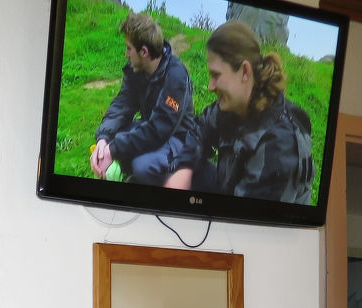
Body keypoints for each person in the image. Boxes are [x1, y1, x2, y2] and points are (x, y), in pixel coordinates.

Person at [193, 20, 313, 203]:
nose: (210, 86)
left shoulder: (279, 143)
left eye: (216, 75)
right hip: (228, 189)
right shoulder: (232, 106)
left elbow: (246, 217)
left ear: (245, 71)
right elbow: (194, 132)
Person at [91, 12, 198, 188]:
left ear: (144, 52)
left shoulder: (176, 77)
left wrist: (114, 150)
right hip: (151, 127)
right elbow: (122, 105)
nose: (126, 54)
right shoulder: (136, 69)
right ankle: (129, 171)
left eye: (129, 48)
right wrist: (104, 140)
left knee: (143, 167)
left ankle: (176, 181)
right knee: (113, 137)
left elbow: (160, 128)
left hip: (177, 137)